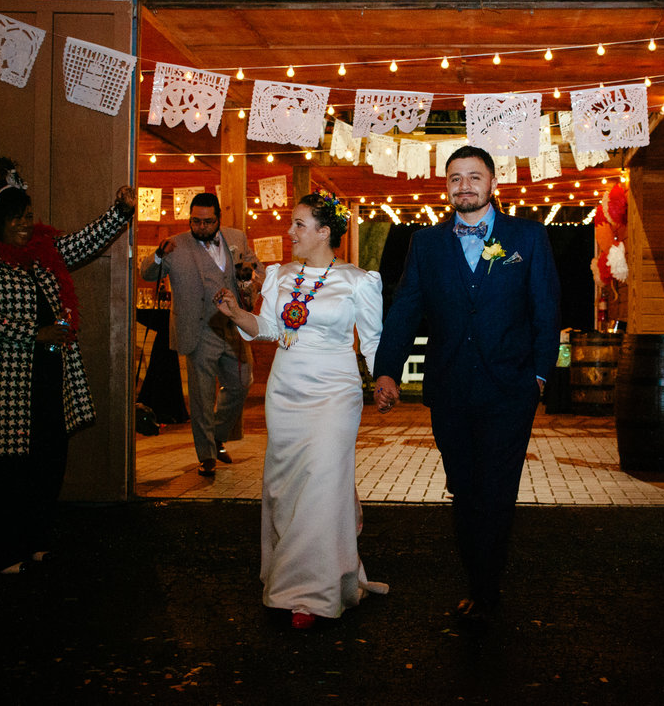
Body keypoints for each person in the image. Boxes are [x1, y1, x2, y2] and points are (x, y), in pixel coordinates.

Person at [372, 145, 561, 625]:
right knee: (464, 487)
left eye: (474, 177)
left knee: (496, 491)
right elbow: (406, 309)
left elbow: (546, 310)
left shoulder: (528, 237)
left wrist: (539, 378)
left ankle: (485, 587)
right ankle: (479, 575)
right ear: (447, 186)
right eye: (455, 178)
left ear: (493, 184)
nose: (464, 186)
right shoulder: (428, 244)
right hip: (450, 389)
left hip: (510, 391)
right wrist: (387, 369)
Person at [215, 189, 388, 629]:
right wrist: (237, 313)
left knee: (323, 483)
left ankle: (311, 594)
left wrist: (384, 378)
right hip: (286, 390)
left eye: (298, 224)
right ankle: (294, 575)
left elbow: (372, 341)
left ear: (324, 232)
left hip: (335, 391)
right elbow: (268, 328)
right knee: (285, 486)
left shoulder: (356, 281)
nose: (289, 231)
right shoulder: (278, 276)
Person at [0, 157, 136, 574]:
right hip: (5, 385)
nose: (25, 225)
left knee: (47, 461)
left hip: (50, 378)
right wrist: (33, 331)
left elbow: (85, 241)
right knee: (7, 471)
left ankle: (37, 541)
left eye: (29, 217)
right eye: (17, 218)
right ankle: (4, 551)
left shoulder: (43, 254)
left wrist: (120, 212)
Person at [139, 193, 261, 476]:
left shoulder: (236, 238)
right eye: (196, 221)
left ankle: (218, 434)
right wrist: (158, 254)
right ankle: (206, 455)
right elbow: (146, 272)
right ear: (189, 218)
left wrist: (250, 275)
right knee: (201, 395)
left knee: (243, 382)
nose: (201, 226)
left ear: (218, 219)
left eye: (207, 221)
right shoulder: (176, 245)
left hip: (232, 327)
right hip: (197, 328)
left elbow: (257, 268)